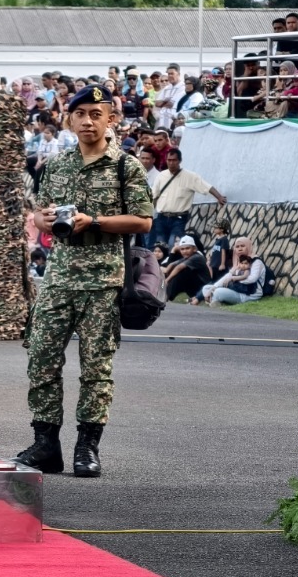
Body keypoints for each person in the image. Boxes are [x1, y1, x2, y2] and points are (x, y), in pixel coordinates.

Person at [17, 85, 153, 479]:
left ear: (111, 118)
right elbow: (42, 215)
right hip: (59, 276)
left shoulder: (125, 166)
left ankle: (87, 446)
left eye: (97, 113)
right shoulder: (57, 165)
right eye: (81, 114)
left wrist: (93, 222)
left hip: (103, 279)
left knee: (96, 367)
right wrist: (42, 221)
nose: (89, 121)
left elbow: (143, 221)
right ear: (70, 119)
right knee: (41, 359)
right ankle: (46, 444)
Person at [147, 149, 226, 250]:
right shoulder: (161, 176)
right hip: (162, 217)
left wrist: (219, 197)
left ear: (179, 161)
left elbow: (206, 186)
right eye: (169, 160)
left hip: (179, 218)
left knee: (173, 243)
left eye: (174, 160)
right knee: (159, 245)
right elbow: (154, 196)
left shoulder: (190, 176)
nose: (171, 163)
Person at [202, 237, 267, 305]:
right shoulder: (238, 262)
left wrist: (234, 279)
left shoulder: (256, 262)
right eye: (237, 247)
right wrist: (213, 287)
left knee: (218, 291)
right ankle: (216, 300)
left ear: (248, 246)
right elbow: (228, 276)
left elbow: (252, 279)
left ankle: (215, 300)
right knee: (206, 288)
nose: (240, 249)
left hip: (249, 294)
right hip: (236, 288)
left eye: (243, 246)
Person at [164, 236, 212, 302]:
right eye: (182, 249)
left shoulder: (197, 257)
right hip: (195, 287)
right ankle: (164, 295)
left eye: (187, 248)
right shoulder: (187, 257)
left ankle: (167, 296)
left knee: (182, 272)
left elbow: (179, 267)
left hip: (203, 288)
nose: (185, 251)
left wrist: (167, 280)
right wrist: (166, 271)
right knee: (174, 271)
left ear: (194, 249)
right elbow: (172, 264)